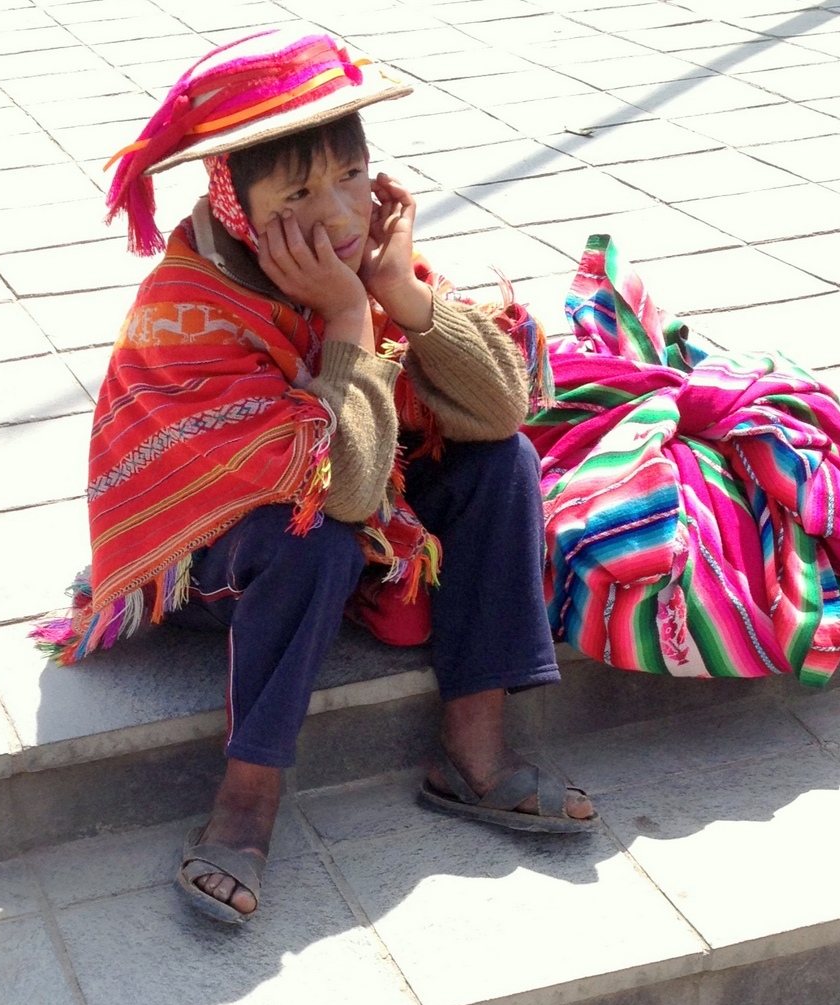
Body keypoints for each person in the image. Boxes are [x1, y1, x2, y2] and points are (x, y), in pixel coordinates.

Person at [33, 29, 595, 925]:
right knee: (315, 536)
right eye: (298, 192)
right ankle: (247, 799)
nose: (337, 214)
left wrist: (403, 298)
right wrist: (346, 321)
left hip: (341, 504)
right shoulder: (190, 310)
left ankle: (472, 752)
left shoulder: (368, 265)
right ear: (238, 202)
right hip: (215, 562)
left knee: (503, 464)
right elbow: (346, 494)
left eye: (351, 176)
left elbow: (500, 410)